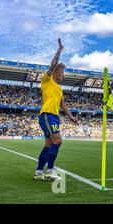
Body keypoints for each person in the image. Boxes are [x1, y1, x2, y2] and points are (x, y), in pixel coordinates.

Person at [33, 39, 78, 181]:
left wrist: (71, 117)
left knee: (48, 145)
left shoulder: (59, 88)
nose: (63, 75)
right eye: (61, 72)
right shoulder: (47, 81)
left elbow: (63, 104)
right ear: (55, 73)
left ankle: (39, 172)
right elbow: (52, 65)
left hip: (54, 117)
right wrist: (59, 50)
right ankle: (50, 171)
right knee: (58, 141)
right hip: (47, 115)